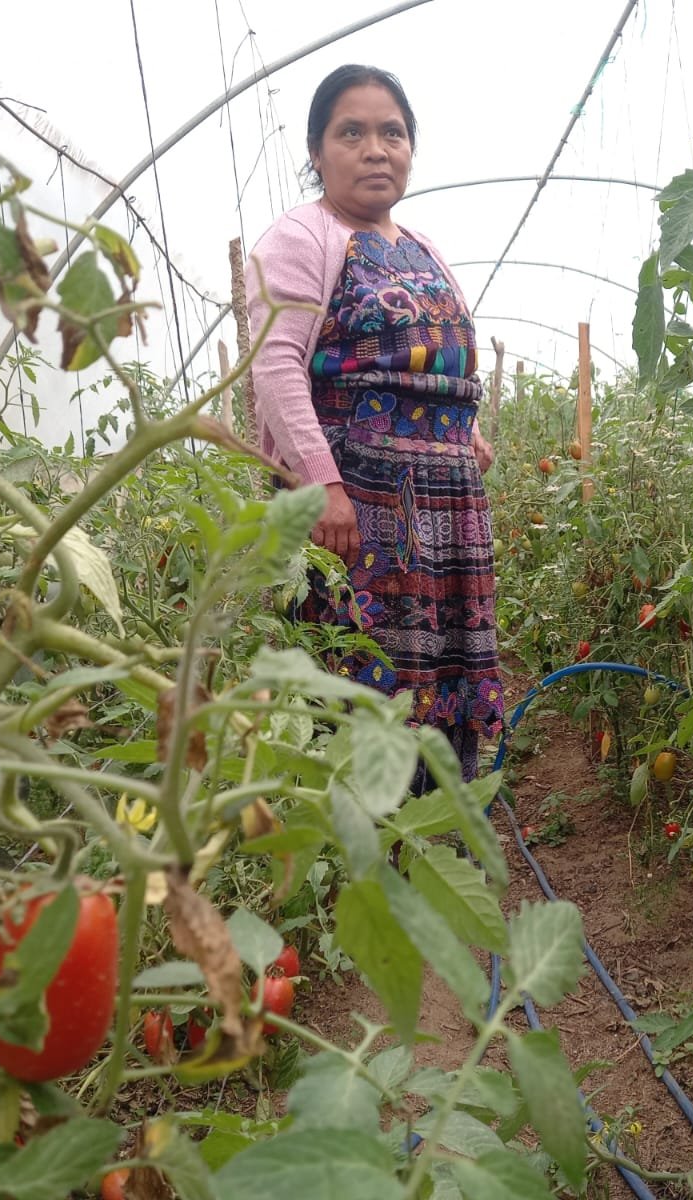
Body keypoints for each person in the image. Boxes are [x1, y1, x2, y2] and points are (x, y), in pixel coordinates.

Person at [247, 64, 502, 788]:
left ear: (411, 148)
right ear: (316, 151)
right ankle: (358, 840)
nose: (375, 149)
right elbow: (275, 366)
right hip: (358, 512)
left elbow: (429, 363)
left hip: (444, 511)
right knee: (363, 676)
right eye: (351, 133)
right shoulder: (302, 236)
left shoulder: (422, 247)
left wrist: (462, 430)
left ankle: (429, 825)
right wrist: (321, 485)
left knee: (438, 671)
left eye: (392, 133)